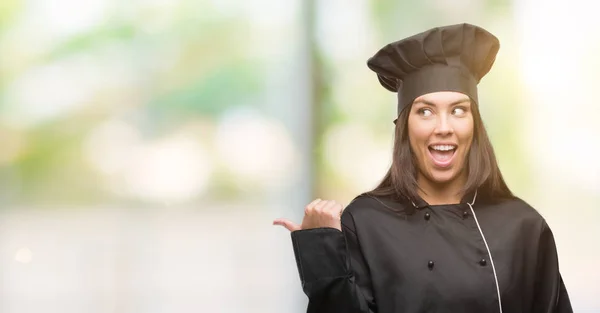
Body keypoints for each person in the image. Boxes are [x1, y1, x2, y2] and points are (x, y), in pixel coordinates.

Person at [273, 23, 572, 313]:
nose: (443, 127)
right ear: (405, 127)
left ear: (475, 126)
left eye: (458, 110)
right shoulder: (365, 222)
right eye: (425, 111)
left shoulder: (524, 226)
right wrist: (323, 253)